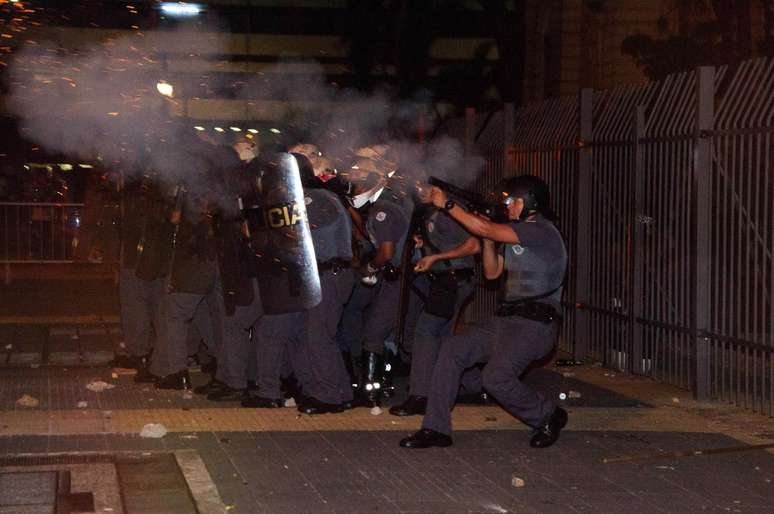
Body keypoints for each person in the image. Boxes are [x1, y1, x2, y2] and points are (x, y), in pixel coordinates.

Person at [400, 174, 568, 449]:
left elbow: (487, 230)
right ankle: (436, 428)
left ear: (529, 202)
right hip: (507, 319)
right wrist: (486, 236)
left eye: (513, 201)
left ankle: (548, 415)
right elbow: (492, 273)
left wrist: (449, 205)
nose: (509, 206)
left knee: (496, 378)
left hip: (535, 324)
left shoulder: (541, 230)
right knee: (452, 350)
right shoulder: (512, 231)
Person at [389, 184, 481, 416]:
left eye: (423, 184)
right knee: (442, 336)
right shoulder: (432, 212)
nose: (418, 188)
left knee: (426, 331)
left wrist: (436, 257)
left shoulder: (449, 212)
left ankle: (421, 396)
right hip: (447, 280)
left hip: (452, 280)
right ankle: (473, 384)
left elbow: (473, 245)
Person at [337, 157, 410, 407]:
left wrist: (371, 266)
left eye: (358, 184)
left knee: (375, 333)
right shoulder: (390, 204)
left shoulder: (383, 209)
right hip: (401, 279)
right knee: (407, 336)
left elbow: (386, 251)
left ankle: (370, 392)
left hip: (396, 278)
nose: (355, 189)